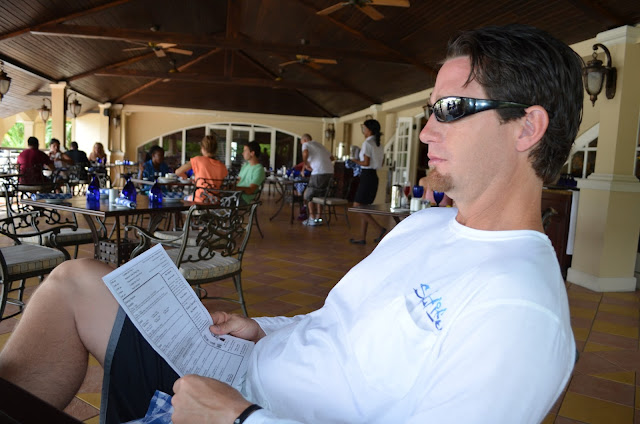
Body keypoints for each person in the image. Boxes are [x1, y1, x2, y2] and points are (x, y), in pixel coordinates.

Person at [0, 24, 583, 424]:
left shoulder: (519, 312)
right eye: (430, 110)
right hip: (240, 368)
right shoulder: (426, 227)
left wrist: (237, 418)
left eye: (451, 109)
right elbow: (335, 323)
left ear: (527, 128)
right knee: (75, 280)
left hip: (250, 408)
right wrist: (263, 328)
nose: (428, 130)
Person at [349, 119, 386, 244]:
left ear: (369, 130)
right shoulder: (379, 144)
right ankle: (362, 237)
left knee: (357, 206)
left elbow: (366, 163)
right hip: (373, 176)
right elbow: (381, 162)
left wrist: (353, 160)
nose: (363, 131)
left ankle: (379, 229)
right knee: (363, 207)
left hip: (367, 176)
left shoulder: (367, 143)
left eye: (364, 128)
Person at [174, 135, 228, 202]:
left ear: (202, 148)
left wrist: (186, 177)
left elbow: (178, 172)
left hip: (199, 199)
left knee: (183, 199)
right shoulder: (222, 166)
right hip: (215, 200)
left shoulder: (197, 160)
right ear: (216, 149)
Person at [300, 133, 334, 226]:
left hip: (319, 172)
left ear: (304, 140)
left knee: (309, 195)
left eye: (301, 142)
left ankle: (312, 218)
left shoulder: (306, 144)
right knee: (320, 195)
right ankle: (319, 218)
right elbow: (332, 158)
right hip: (330, 172)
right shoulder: (319, 145)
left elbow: (305, 153)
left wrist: (306, 163)